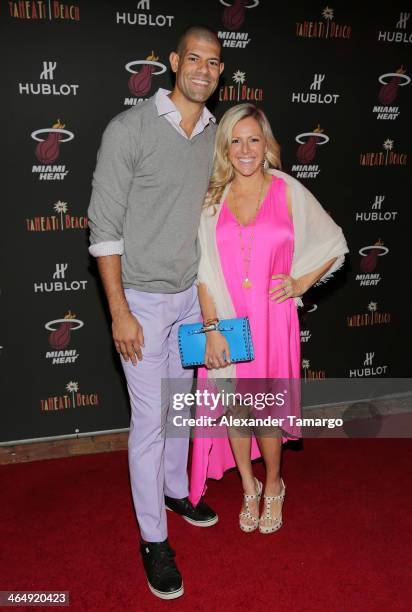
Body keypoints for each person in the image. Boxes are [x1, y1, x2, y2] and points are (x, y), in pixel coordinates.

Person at [87, 26, 224, 600]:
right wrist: (119, 311)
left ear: (221, 71)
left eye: (214, 62)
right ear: (173, 62)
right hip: (140, 300)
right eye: (193, 58)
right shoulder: (130, 129)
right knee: (149, 423)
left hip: (191, 297)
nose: (203, 70)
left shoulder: (215, 133)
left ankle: (176, 490)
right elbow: (103, 230)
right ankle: (153, 539)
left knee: (183, 406)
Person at [189, 103, 348, 534]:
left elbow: (335, 242)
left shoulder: (287, 189)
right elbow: (202, 273)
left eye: (253, 140)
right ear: (225, 148)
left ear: (267, 146)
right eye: (235, 141)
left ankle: (274, 484)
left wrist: (300, 283)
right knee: (237, 409)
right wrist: (211, 328)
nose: (245, 149)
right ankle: (248, 486)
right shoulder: (211, 199)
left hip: (272, 321)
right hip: (227, 320)